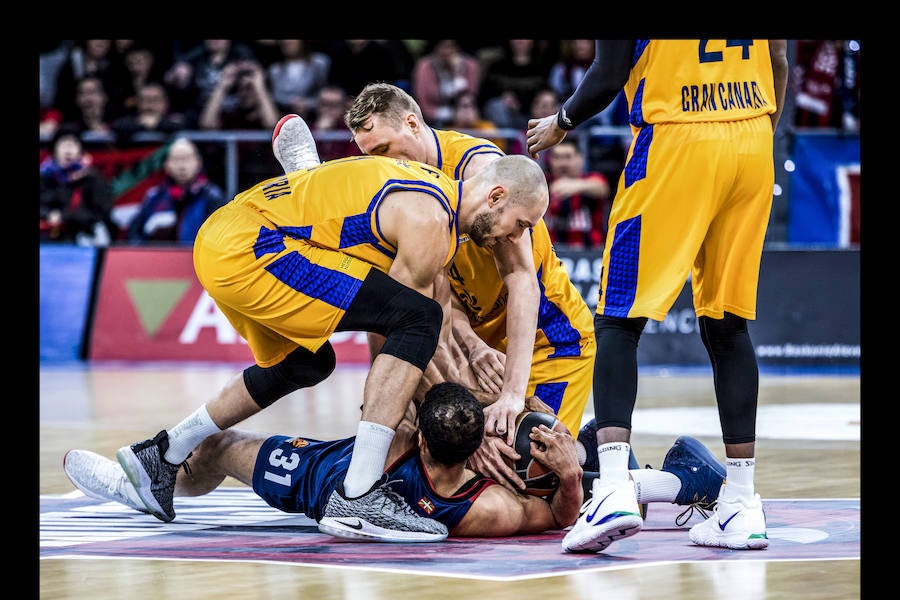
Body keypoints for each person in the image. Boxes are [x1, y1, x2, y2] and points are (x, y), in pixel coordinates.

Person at [114, 138, 549, 543]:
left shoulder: (428, 188)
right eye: (520, 225)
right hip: (254, 246)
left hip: (224, 240)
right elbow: (393, 336)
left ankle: (163, 453)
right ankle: (358, 495)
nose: (514, 239)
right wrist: (459, 426)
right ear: (495, 196)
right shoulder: (431, 220)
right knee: (417, 318)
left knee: (307, 362)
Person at [526, 39, 789, 552]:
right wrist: (756, 136)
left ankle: (614, 487)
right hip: (753, 137)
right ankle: (740, 501)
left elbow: (608, 73)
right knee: (728, 324)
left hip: (676, 139)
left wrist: (561, 120)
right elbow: (777, 59)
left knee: (618, 319)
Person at [276, 83, 595, 493]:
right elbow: (431, 296)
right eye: (368, 155)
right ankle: (313, 183)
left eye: (384, 149)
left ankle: (635, 476)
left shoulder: (479, 171)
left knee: (530, 476)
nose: (379, 162)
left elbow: (521, 281)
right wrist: (465, 346)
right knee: (448, 461)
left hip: (547, 337)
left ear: (412, 123)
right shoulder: (404, 192)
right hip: (477, 339)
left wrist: (514, 395)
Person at [64, 383, 727, 539]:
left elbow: (566, 520)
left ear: (410, 426)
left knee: (215, 447)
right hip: (341, 484)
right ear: (479, 446)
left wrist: (573, 478)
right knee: (567, 455)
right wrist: (571, 475)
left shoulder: (405, 437)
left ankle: (158, 487)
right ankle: (680, 476)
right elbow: (557, 516)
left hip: (326, 481)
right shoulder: (486, 501)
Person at [127, 137, 227, 244]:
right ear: (167, 165)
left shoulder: (212, 196)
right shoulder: (154, 196)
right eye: (176, 159)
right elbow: (135, 234)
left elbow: (219, 238)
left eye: (186, 159)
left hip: (197, 257)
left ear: (198, 162)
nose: (181, 166)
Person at [39, 127, 115, 245]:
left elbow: (102, 213)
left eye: (73, 145)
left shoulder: (92, 178)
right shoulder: (44, 177)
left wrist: (65, 216)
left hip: (85, 235)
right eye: (63, 145)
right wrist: (48, 215)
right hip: (49, 235)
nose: (68, 152)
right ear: (54, 150)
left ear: (81, 151)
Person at [543, 138, 610, 249]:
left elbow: (602, 188)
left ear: (580, 159)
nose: (562, 163)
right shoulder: (543, 182)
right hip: (551, 253)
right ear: (550, 161)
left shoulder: (593, 179)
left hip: (589, 255)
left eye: (568, 157)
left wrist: (574, 185)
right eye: (557, 157)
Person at [411, 39, 481, 128]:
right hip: (433, 116)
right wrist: (444, 114)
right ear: (436, 47)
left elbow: (470, 96)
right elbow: (421, 99)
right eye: (444, 47)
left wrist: (457, 73)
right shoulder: (425, 66)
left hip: (462, 114)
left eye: (451, 47)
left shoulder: (469, 65)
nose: (447, 51)